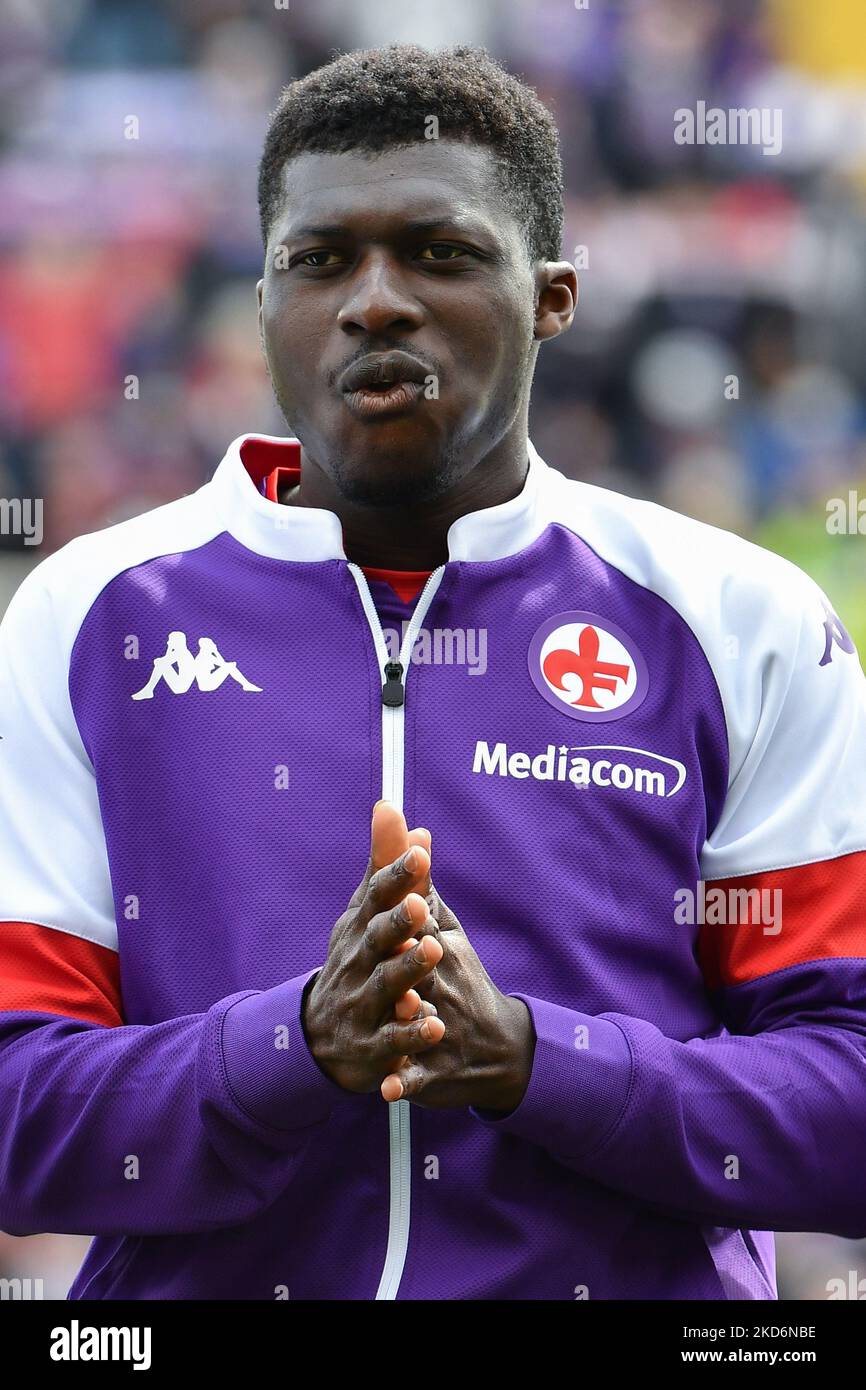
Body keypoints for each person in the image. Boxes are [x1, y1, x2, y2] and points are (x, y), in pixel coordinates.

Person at [1, 43, 865, 1302]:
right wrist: (285, 1050)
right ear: (259, 305)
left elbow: (845, 1101)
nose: (373, 301)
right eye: (319, 259)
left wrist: (533, 1060)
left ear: (554, 295)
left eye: (440, 252)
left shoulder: (739, 620)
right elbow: (18, 1118)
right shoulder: (86, 617)